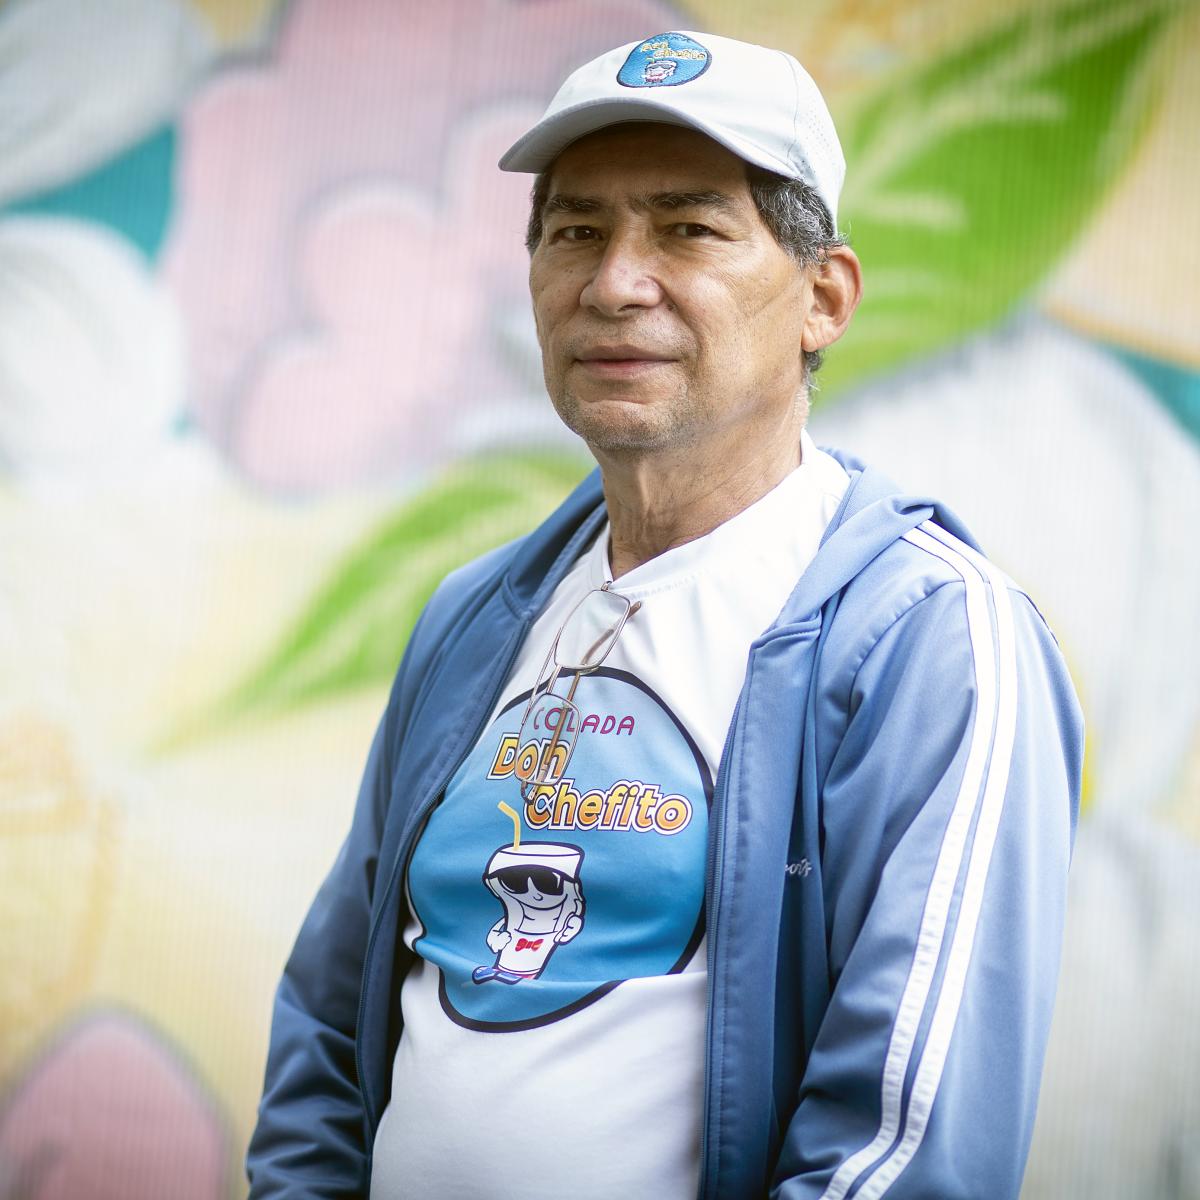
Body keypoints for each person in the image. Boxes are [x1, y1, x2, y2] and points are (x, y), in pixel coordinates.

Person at [246, 30, 1083, 1200]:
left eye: (688, 228)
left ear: (824, 298)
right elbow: (331, 1032)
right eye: (577, 230)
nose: (615, 281)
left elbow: (901, 1142)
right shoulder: (474, 616)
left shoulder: (930, 640)